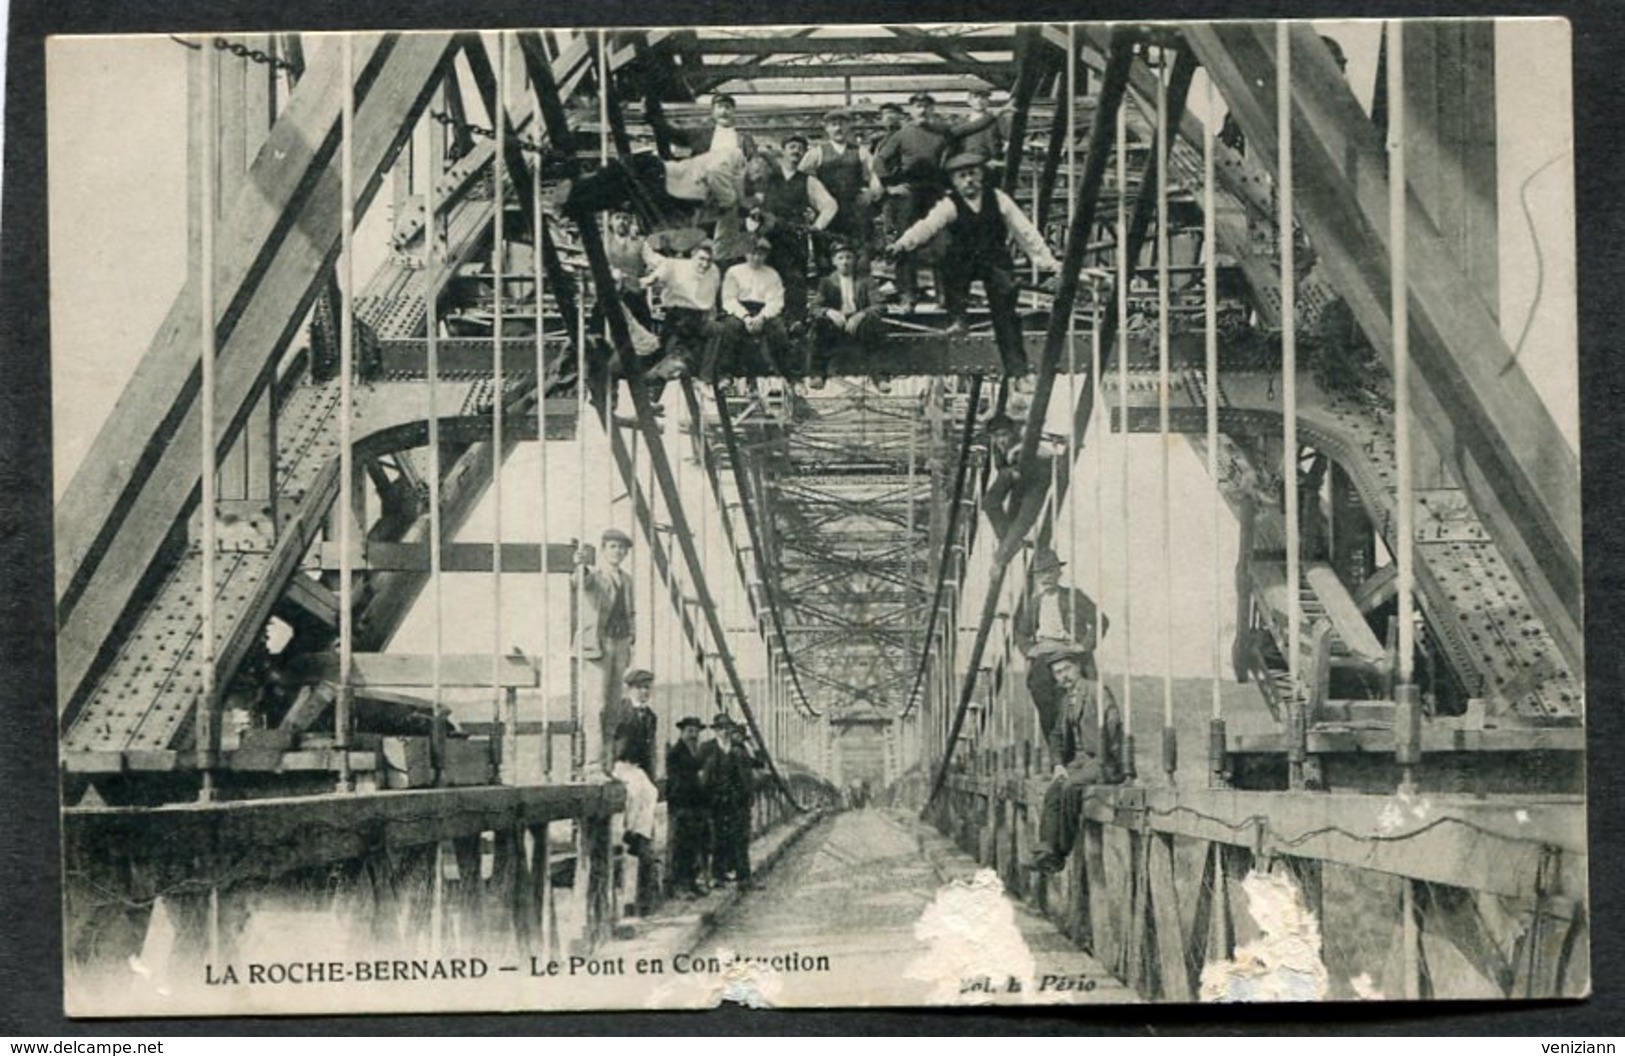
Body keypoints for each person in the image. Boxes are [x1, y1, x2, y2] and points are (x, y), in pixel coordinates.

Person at [887, 152, 1062, 376]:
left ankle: (1018, 372)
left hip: (994, 259)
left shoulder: (998, 198)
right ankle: (958, 318)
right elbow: (927, 226)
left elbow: (1024, 230)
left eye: (973, 174)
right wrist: (902, 244)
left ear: (981, 175)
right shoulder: (949, 205)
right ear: (954, 181)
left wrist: (1047, 262)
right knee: (949, 264)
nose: (968, 180)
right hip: (965, 259)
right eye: (962, 176)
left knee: (1006, 313)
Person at [873, 93, 1003, 311]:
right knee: (905, 244)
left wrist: (1002, 111)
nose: (922, 111)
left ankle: (945, 296)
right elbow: (880, 161)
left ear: (933, 110)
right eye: (917, 107)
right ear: (911, 110)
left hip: (937, 192)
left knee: (944, 245)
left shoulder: (943, 132)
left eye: (926, 106)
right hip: (910, 193)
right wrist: (889, 186)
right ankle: (907, 296)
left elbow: (970, 128)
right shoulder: (902, 135)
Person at [1028, 643, 1124, 875]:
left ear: (1078, 667)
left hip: (1102, 759)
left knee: (1071, 786)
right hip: (1077, 763)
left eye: (1067, 669)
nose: (1064, 676)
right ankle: (1046, 848)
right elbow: (1057, 735)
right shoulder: (1064, 701)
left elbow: (1113, 724)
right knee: (1055, 789)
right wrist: (1059, 764)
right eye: (1058, 673)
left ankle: (1060, 852)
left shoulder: (1097, 691)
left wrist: (1107, 758)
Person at [1014, 548, 1109, 772]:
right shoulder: (1034, 603)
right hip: (1044, 655)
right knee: (1044, 700)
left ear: (1059, 573)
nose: (1045, 577)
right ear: (1036, 578)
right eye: (1040, 574)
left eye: (1049, 572)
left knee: (1085, 702)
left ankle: (1093, 755)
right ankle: (1060, 759)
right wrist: (1029, 650)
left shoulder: (1074, 597)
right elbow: (1020, 633)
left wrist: (1084, 645)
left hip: (1072, 654)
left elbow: (1101, 620)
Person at [744, 147, 835, 327]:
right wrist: (753, 226)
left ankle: (795, 323)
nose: (795, 152)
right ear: (782, 153)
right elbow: (751, 206)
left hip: (793, 239)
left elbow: (830, 205)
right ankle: (764, 321)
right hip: (766, 238)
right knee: (763, 277)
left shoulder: (807, 181)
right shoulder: (766, 180)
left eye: (799, 147)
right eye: (791, 147)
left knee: (794, 280)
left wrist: (816, 227)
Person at [571, 527, 637, 775]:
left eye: (622, 548)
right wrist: (580, 565)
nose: (618, 552)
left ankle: (607, 763)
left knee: (613, 708)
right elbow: (580, 581)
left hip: (620, 645)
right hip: (598, 645)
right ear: (603, 549)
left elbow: (631, 613)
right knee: (596, 704)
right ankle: (593, 764)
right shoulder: (595, 575)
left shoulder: (628, 581)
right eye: (613, 547)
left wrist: (631, 640)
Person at [705, 237, 791, 383]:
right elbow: (729, 299)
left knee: (779, 329)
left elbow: (775, 301)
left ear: (766, 255)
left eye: (761, 254)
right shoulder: (734, 272)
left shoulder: (772, 274)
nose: (756, 258)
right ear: (745, 254)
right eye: (752, 253)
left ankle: (782, 373)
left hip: (764, 310)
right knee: (730, 328)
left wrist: (762, 317)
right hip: (739, 309)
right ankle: (726, 373)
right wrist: (745, 317)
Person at [610, 668, 661, 913]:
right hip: (620, 766)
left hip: (638, 769)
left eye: (647, 688)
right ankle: (628, 830)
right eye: (640, 687)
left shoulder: (650, 716)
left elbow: (651, 751)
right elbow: (608, 740)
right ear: (630, 689)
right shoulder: (619, 710)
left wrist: (653, 775)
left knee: (650, 792)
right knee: (631, 792)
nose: (644, 692)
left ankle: (638, 832)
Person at [800, 110, 884, 259]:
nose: (838, 128)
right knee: (826, 253)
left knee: (858, 253)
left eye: (842, 124)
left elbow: (874, 177)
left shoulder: (861, 152)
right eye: (833, 125)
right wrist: (810, 202)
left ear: (849, 126)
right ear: (826, 128)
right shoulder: (816, 152)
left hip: (854, 213)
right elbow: (801, 179)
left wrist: (870, 193)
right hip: (827, 213)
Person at [811, 241, 888, 390]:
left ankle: (880, 378)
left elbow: (880, 306)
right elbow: (814, 307)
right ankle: (818, 374)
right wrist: (829, 312)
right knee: (820, 327)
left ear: (854, 260)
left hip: (859, 323)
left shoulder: (866, 280)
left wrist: (861, 315)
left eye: (848, 257)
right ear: (834, 261)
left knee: (874, 328)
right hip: (836, 323)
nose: (845, 262)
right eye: (840, 258)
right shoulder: (826, 282)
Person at [641, 240, 722, 382]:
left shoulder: (714, 271)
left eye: (708, 260)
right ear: (692, 255)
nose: (705, 264)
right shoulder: (674, 265)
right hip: (678, 315)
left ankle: (706, 377)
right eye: (701, 259)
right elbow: (654, 278)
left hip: (700, 317)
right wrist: (647, 280)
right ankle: (657, 375)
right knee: (674, 353)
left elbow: (712, 299)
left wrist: (711, 315)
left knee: (717, 329)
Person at [980, 412, 1053, 554]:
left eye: (1004, 435)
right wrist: (1010, 472)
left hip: (1035, 475)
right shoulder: (997, 447)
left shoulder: (1023, 441)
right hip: (1015, 476)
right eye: (997, 436)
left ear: (1012, 433)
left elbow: (1044, 452)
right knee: (989, 502)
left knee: (1025, 519)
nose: (1001, 440)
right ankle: (1008, 540)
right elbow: (1001, 467)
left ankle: (1011, 542)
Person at [708, 719, 765, 889]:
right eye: (735, 733)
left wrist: (753, 743)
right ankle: (725, 877)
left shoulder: (741, 751)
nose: (737, 736)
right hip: (727, 802)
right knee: (724, 839)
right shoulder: (724, 751)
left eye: (739, 734)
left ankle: (738, 877)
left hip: (741, 802)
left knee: (739, 839)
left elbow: (761, 762)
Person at [665, 716, 712, 897]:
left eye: (696, 731)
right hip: (682, 806)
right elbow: (679, 782)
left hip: (694, 807)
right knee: (681, 847)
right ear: (682, 732)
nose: (694, 735)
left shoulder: (694, 752)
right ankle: (679, 886)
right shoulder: (676, 753)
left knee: (693, 846)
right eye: (690, 731)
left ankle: (691, 883)